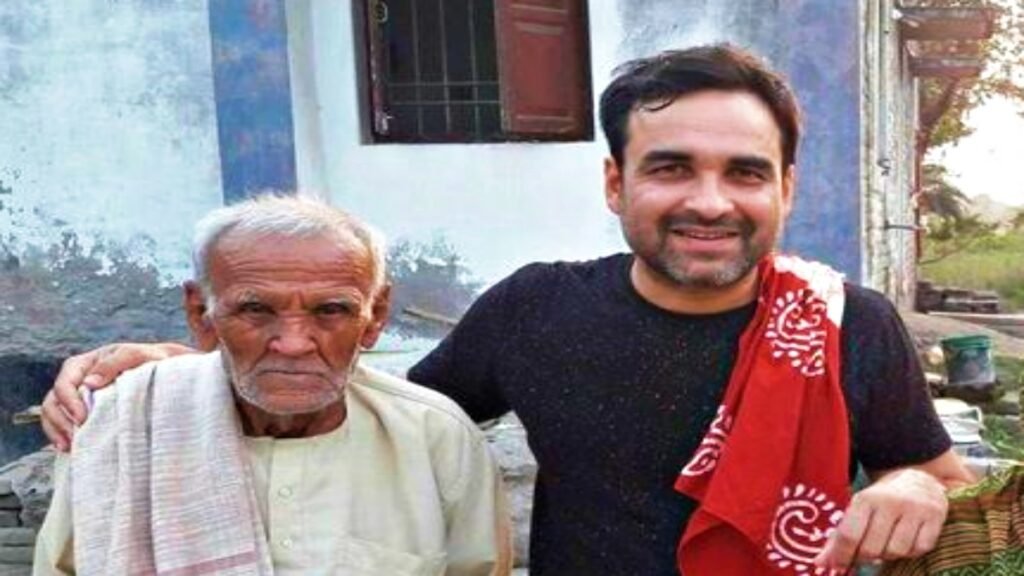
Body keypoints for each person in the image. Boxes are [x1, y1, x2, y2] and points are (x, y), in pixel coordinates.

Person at [41, 44, 972, 575]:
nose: (710, 201)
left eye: (744, 172)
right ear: (617, 183)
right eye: (670, 167)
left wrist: (915, 483)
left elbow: (946, 482)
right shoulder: (536, 307)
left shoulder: (848, 320)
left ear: (786, 188)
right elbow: (363, 395)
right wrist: (180, 363)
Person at [33, 195, 511, 575]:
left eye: (331, 311)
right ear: (202, 313)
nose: (294, 343)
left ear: (375, 317)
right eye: (256, 310)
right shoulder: (121, 424)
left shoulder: (434, 436)